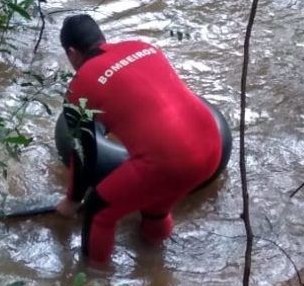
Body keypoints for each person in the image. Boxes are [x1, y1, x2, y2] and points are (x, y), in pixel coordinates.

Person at [56, 14, 222, 264]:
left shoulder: (80, 85)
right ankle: (155, 264)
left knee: (98, 209)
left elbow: (83, 155)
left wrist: (72, 200)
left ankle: (94, 285)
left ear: (71, 53)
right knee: (155, 205)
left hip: (169, 163)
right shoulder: (142, 47)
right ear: (102, 38)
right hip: (212, 146)